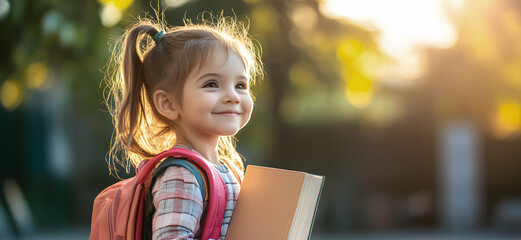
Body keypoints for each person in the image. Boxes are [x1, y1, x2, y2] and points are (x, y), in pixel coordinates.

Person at [103, 15, 263, 240]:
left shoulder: (226, 168)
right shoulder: (182, 174)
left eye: (240, 85)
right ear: (168, 103)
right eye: (211, 84)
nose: (233, 96)